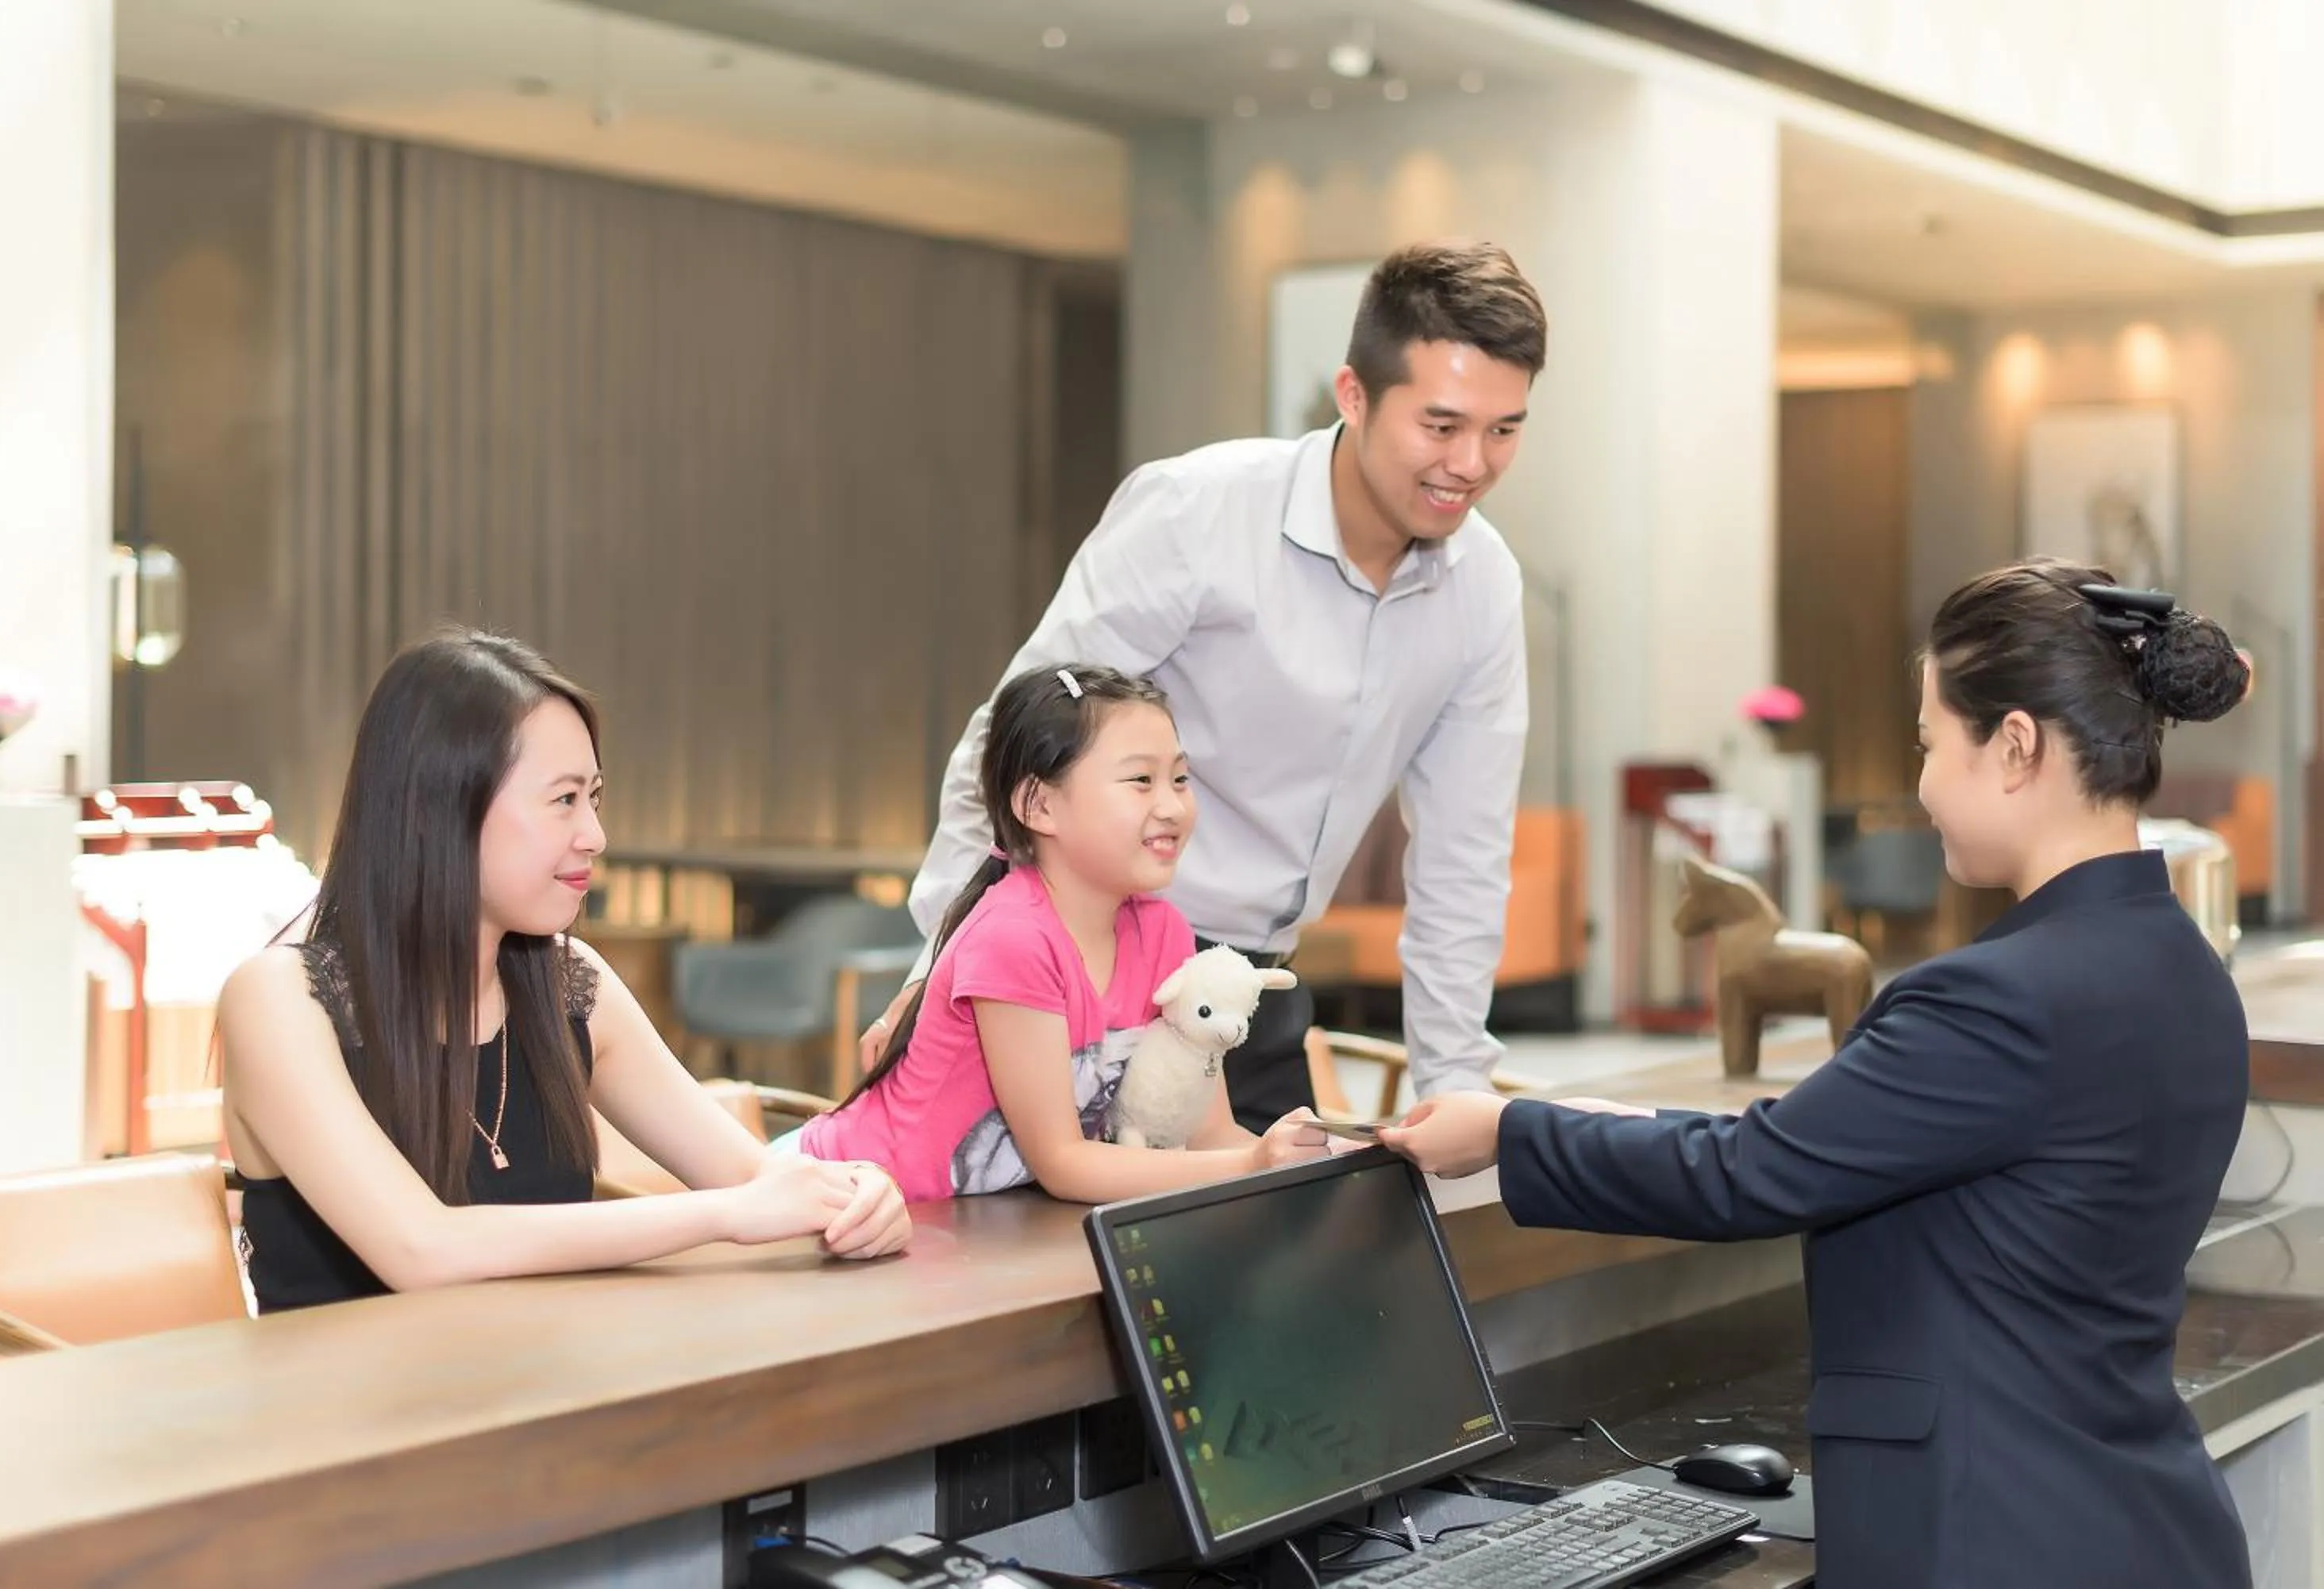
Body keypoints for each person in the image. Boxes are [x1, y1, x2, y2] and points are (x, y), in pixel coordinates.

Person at [1380, 560, 2254, 1589]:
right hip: (2136, 1520)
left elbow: (1751, 1171)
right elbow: (1852, 1142)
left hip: (1994, 1534)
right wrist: (1599, 1115)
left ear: (2014, 745)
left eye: (1931, 745)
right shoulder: (2182, 965)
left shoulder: (1997, 996)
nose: (1923, 784)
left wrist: (1503, 1130)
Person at [868, 240, 1549, 1131]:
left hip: (1247, 994)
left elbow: (1465, 852)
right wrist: (938, 975)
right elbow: (1013, 741)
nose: (1472, 462)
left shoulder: (1483, 586)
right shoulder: (1200, 513)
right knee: (1028, 1259)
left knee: (1284, 1250)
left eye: (1504, 430)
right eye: (1442, 424)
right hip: (1084, 976)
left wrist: (1454, 1081)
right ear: (1355, 396)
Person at [218, 629, 910, 1313]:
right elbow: (422, 1250)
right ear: (439, 810)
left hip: (547, 1396)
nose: (595, 836)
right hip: (353, 1415)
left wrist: (857, 1193)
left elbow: (753, 1172)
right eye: (564, 800)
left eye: (595, 797)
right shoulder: (281, 999)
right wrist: (724, 1215)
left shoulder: (570, 984)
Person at [797, 663, 1333, 1202]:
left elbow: (1208, 1132)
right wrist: (1250, 1164)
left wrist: (1308, 1163)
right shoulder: (1014, 937)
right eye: (1141, 781)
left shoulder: (1164, 930)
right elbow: (1064, 1163)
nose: (1172, 807)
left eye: (1180, 779)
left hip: (976, 1228)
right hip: (840, 1197)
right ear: (1040, 804)